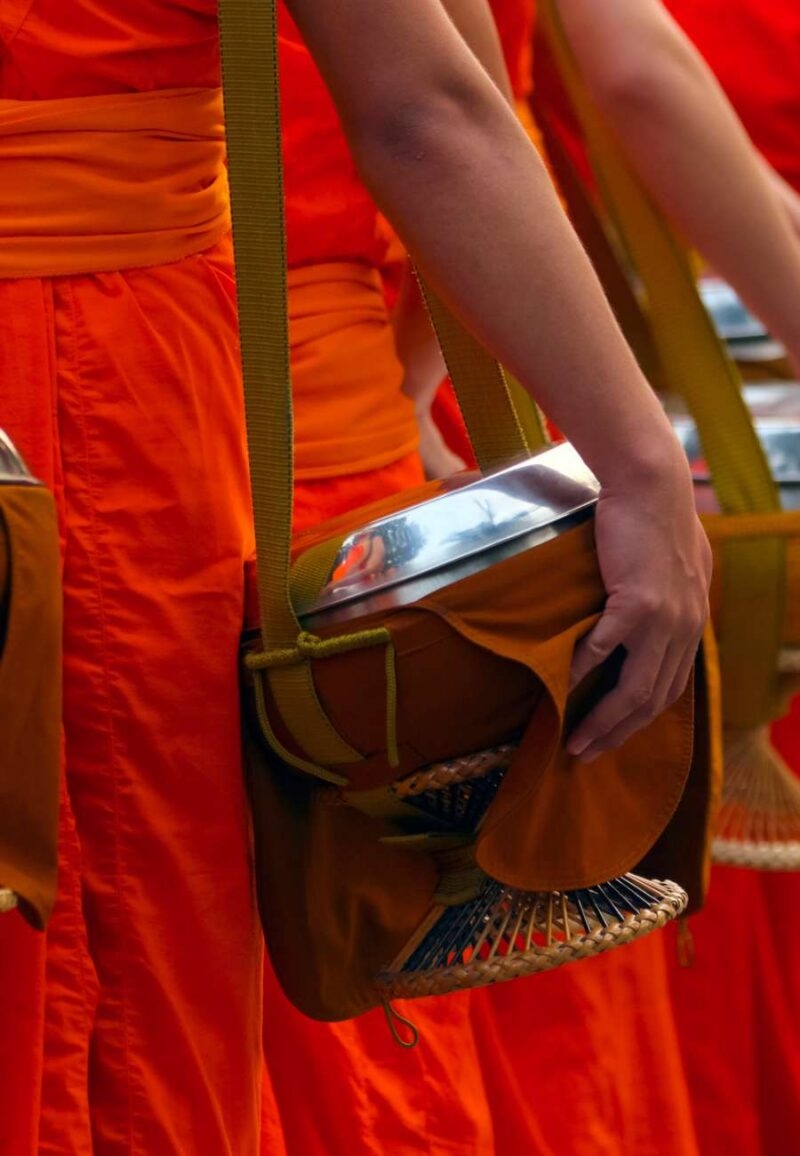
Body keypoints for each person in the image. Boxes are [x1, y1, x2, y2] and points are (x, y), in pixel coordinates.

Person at [0, 1, 710, 1152]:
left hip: (173, 387)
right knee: (135, 994)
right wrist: (636, 469)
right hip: (120, 411)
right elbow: (431, 110)